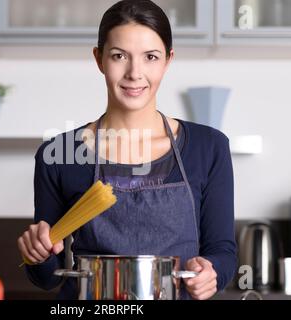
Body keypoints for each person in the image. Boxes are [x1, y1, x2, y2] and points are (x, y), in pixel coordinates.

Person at [17, 0, 237, 300]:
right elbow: (47, 278)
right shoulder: (58, 154)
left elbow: (223, 252)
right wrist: (37, 253)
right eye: (119, 56)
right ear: (99, 59)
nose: (135, 73)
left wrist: (211, 272)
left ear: (168, 61)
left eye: (150, 57)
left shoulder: (209, 147)